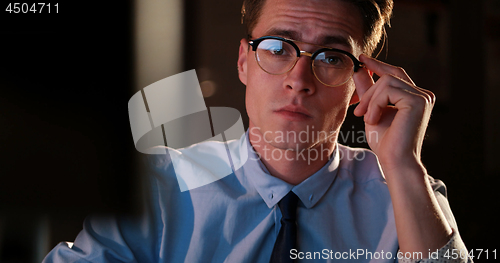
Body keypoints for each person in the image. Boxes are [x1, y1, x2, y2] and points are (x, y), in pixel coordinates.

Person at [43, 0, 472, 262]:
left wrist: (402, 165)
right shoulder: (156, 188)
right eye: (276, 48)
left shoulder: (406, 192)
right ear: (244, 63)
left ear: (363, 81)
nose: (299, 79)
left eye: (331, 57)